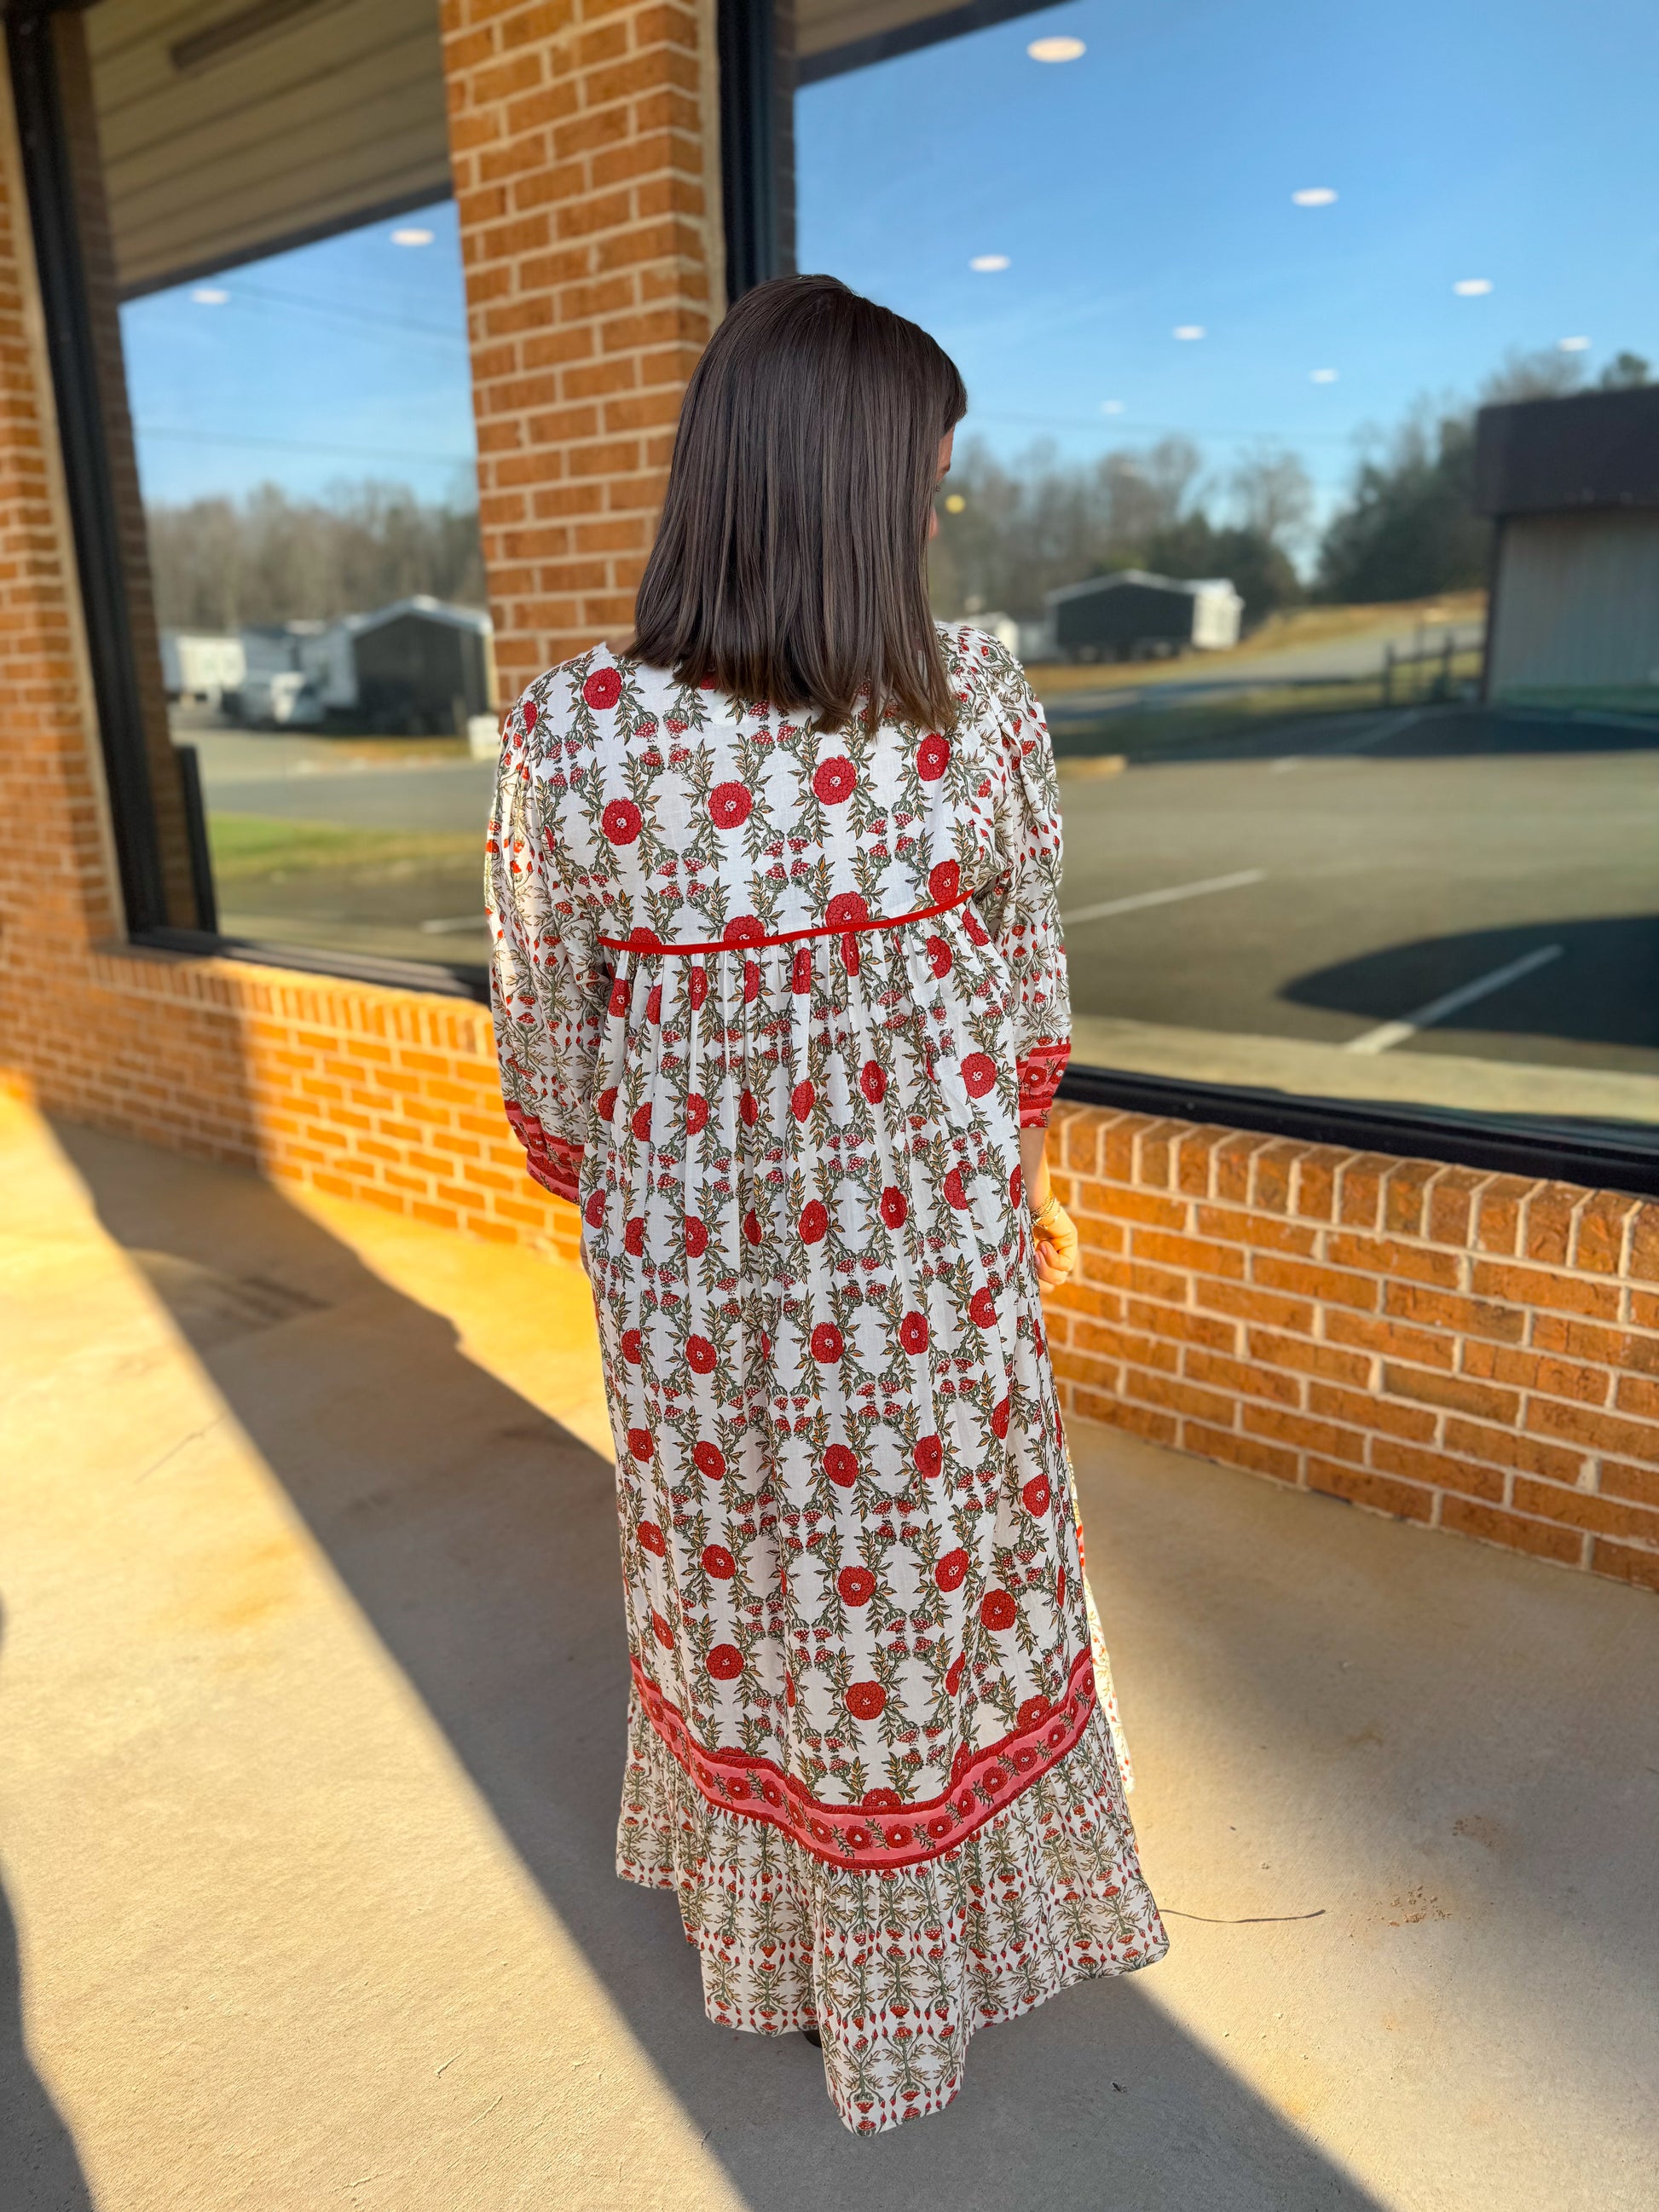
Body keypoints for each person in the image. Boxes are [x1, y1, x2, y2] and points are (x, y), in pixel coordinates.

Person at [486, 274, 1166, 2134]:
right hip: (931, 1279)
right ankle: (929, 1953)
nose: (936, 517)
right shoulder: (973, 707)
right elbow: (1024, 1007)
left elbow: (550, 1058)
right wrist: (992, 1187)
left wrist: (666, 1201)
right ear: (851, 491)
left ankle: (790, 1951)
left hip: (693, 1293)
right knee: (927, 1591)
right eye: (925, 483)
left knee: (745, 1584)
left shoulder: (573, 736)